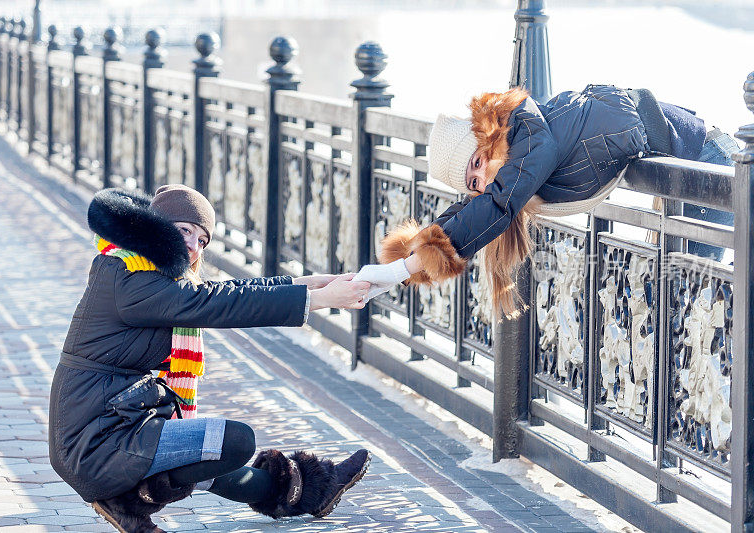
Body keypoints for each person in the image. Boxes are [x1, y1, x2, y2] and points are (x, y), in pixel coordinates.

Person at [49, 184, 373, 533]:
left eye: (202, 240)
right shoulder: (129, 277)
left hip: (110, 427)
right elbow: (217, 305)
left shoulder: (137, 271)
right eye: (185, 231)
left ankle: (311, 493)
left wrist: (309, 284)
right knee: (232, 442)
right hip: (95, 443)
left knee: (206, 458)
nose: (192, 246)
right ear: (156, 225)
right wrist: (322, 300)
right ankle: (125, 502)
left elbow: (224, 292)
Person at [354, 84, 738, 318]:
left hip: (710, 163)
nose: (483, 180)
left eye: (477, 163)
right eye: (474, 183)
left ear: (486, 138)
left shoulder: (529, 134)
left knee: (696, 305)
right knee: (679, 308)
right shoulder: (523, 148)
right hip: (687, 176)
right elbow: (473, 210)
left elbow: (498, 204)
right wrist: (408, 262)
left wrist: (403, 270)